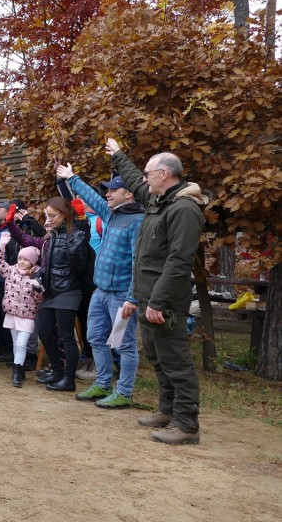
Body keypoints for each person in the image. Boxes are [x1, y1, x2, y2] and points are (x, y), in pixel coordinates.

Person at [107, 138, 206, 444]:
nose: (144, 179)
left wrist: (158, 302)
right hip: (149, 297)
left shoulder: (184, 209)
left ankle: (187, 424)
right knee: (157, 356)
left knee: (175, 359)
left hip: (166, 300)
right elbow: (136, 181)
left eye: (149, 173)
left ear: (164, 174)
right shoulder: (158, 200)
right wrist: (119, 155)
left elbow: (178, 261)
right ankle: (168, 411)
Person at [59, 164, 145, 409]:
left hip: (121, 295)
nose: (107, 194)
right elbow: (92, 198)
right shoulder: (112, 214)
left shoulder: (137, 221)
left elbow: (138, 261)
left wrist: (132, 297)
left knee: (125, 344)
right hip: (101, 291)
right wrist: (71, 178)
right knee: (95, 337)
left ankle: (125, 392)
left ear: (128, 193)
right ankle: (103, 383)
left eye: (112, 190)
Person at [7, 197, 89, 392]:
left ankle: (68, 379)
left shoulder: (75, 233)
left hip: (68, 290)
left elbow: (79, 265)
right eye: (46, 215)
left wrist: (82, 225)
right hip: (50, 290)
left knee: (66, 336)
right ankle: (57, 371)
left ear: (65, 214)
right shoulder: (50, 237)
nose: (48, 220)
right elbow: (36, 252)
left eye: (52, 216)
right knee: (44, 331)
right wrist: (10, 223)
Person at [0, 234, 44, 387]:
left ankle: (15, 372)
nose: (22, 262)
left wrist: (38, 288)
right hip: (11, 313)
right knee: (16, 343)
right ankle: (20, 369)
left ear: (33, 262)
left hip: (28, 315)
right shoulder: (11, 271)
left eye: (26, 259)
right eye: (20, 258)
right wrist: (2, 246)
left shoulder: (38, 274)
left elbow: (40, 299)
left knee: (22, 343)